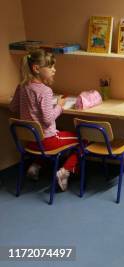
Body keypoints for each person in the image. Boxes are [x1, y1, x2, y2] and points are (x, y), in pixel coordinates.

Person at [9, 49, 79, 191]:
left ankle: (35, 166)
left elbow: (13, 108)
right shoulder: (45, 91)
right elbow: (47, 120)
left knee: (56, 135)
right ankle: (64, 171)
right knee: (82, 139)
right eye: (51, 66)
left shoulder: (22, 86)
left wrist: (32, 108)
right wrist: (59, 106)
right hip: (47, 141)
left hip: (31, 142)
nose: (54, 70)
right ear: (36, 68)